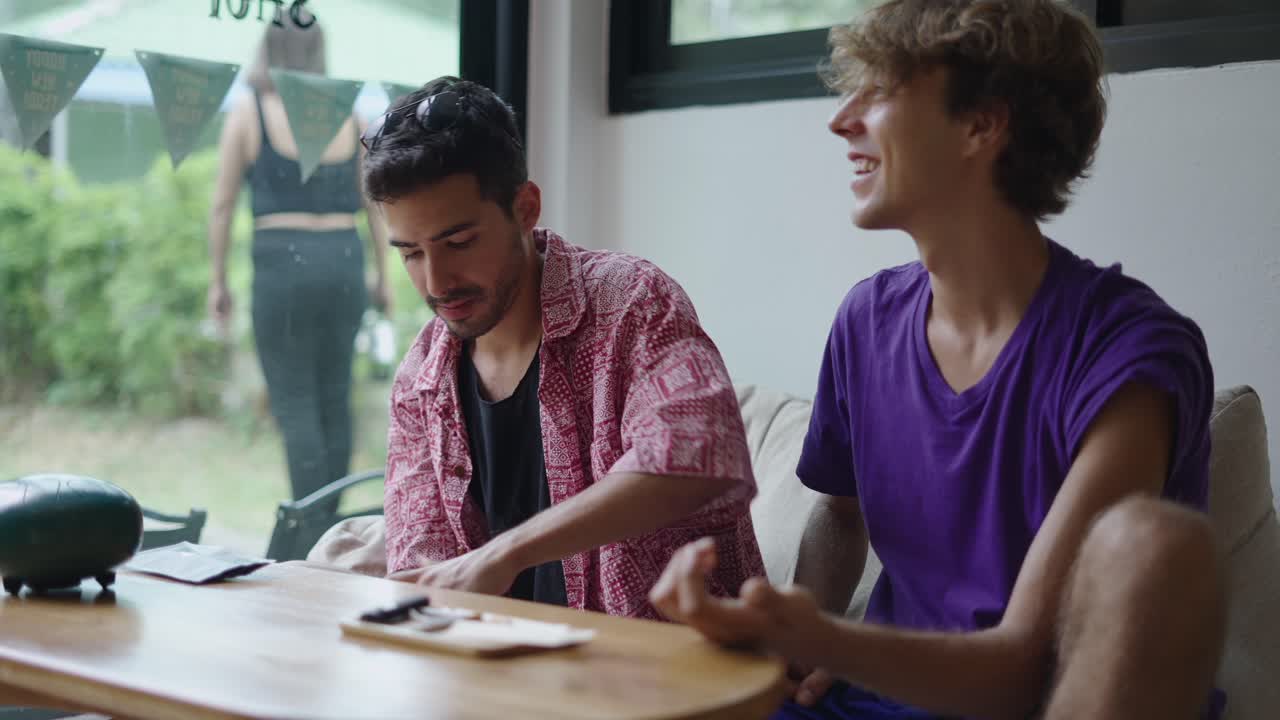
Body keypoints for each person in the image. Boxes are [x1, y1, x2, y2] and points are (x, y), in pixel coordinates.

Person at [650, 1, 1227, 718]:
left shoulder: (1127, 350)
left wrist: (824, 636)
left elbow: (1024, 670)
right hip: (881, 700)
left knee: (1154, 539)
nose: (842, 120)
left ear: (983, 124)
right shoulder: (866, 321)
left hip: (1043, 704)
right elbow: (839, 511)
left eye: (882, 92)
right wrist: (792, 648)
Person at [362, 77, 764, 615]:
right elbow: (427, 573)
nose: (436, 282)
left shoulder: (630, 304)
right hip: (507, 682)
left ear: (526, 208)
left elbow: (698, 458)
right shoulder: (422, 379)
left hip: (673, 678)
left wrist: (505, 554)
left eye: (459, 243)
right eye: (410, 253)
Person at [207, 19, 390, 508]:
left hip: (281, 265)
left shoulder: (250, 111)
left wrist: (218, 280)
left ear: (268, 48)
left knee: (296, 403)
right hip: (344, 259)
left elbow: (222, 206)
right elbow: (373, 202)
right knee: (335, 397)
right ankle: (329, 523)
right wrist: (384, 275)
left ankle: (309, 526)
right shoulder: (347, 113)